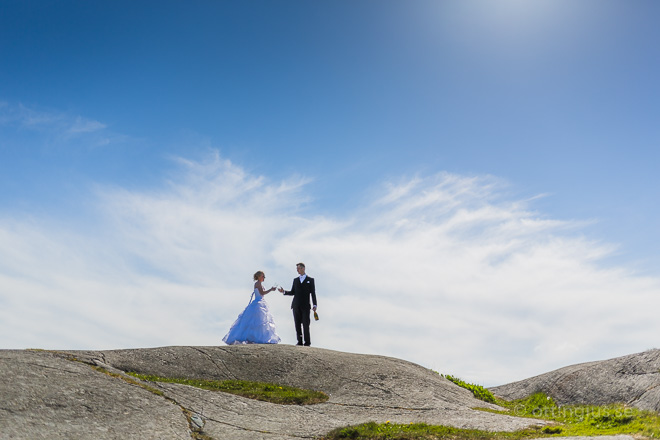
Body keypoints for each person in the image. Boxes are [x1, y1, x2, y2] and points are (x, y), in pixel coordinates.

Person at [223, 271, 281, 345]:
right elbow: (262, 293)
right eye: (263, 276)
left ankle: (257, 338)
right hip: (258, 302)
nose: (264, 278)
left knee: (260, 322)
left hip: (260, 302)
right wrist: (271, 289)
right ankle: (253, 338)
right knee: (257, 322)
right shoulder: (258, 283)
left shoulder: (259, 284)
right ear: (259, 276)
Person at [279, 262, 317, 346]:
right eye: (297, 269)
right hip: (296, 305)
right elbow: (293, 292)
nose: (297, 270)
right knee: (297, 324)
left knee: (306, 324)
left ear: (303, 268)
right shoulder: (295, 280)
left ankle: (307, 342)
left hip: (306, 306)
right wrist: (284, 291)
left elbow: (313, 293)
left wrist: (315, 304)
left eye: (298, 268)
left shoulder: (310, 280)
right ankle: (299, 341)